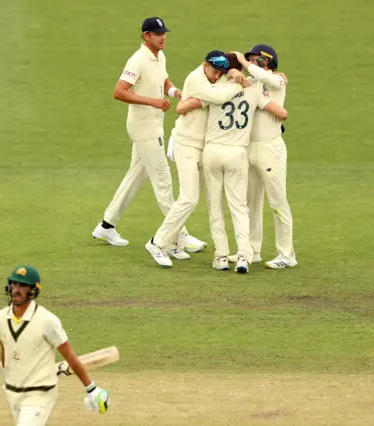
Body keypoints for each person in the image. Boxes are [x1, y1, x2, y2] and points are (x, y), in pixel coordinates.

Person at [91, 17, 205, 253]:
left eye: (163, 33)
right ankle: (179, 236)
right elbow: (119, 92)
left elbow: (163, 80)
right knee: (163, 182)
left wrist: (176, 93)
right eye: (157, 34)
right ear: (145, 36)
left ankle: (106, 225)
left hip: (153, 126)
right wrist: (152, 102)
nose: (162, 37)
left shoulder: (159, 56)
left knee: (135, 177)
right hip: (144, 128)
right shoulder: (137, 60)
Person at [177, 59, 288, 273]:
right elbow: (282, 113)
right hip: (238, 154)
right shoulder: (254, 90)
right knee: (240, 207)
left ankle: (220, 257)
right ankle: (244, 257)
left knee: (215, 207)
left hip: (212, 153)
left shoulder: (215, 89)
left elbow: (183, 107)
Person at [145, 50, 248, 267]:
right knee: (189, 198)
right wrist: (239, 84)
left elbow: (220, 84)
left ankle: (173, 243)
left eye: (219, 72)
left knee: (192, 198)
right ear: (205, 64)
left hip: (204, 148)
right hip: (186, 143)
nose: (215, 75)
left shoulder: (218, 77)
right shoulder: (196, 78)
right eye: (213, 70)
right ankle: (157, 242)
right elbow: (219, 96)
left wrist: (232, 71)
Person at [0, 265, 109, 425]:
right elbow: (5, 351)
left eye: (22, 285)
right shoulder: (0, 318)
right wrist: (5, 379)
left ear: (33, 290)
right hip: (14, 391)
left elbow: (69, 355)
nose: (16, 289)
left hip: (39, 394)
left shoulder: (47, 321)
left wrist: (91, 388)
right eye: (14, 284)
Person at [228, 45, 297, 269]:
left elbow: (274, 82)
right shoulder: (253, 83)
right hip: (249, 149)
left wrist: (246, 64)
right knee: (250, 202)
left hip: (270, 149)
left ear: (267, 61)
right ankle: (251, 250)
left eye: (254, 59)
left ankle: (286, 254)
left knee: (277, 201)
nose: (250, 63)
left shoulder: (277, 80)